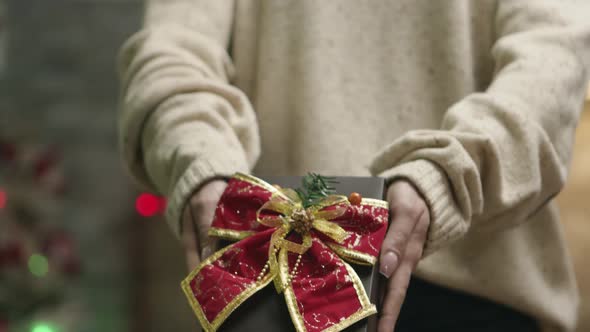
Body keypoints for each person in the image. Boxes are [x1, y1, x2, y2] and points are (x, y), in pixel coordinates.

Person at [117, 1, 590, 331]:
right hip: (275, 282)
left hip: (475, 291)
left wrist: (447, 174)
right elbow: (173, 51)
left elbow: (553, 62)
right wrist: (201, 158)